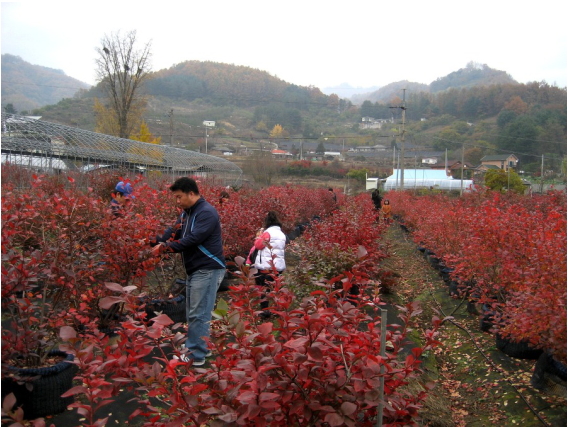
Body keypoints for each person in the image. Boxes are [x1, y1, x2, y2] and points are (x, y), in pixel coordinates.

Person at [151, 177, 225, 366]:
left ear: (191, 193)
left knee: (198, 313)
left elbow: (193, 239)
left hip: (208, 269)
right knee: (195, 313)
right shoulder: (187, 213)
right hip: (196, 270)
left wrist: (165, 248)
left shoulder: (206, 213)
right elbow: (173, 232)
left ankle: (195, 355)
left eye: (179, 197)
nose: (177, 202)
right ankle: (201, 349)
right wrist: (153, 241)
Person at [252, 211, 286, 319]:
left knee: (264, 289)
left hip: (266, 266)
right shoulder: (281, 233)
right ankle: (277, 310)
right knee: (275, 288)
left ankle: (265, 311)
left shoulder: (267, 233)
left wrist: (258, 237)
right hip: (278, 265)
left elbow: (258, 245)